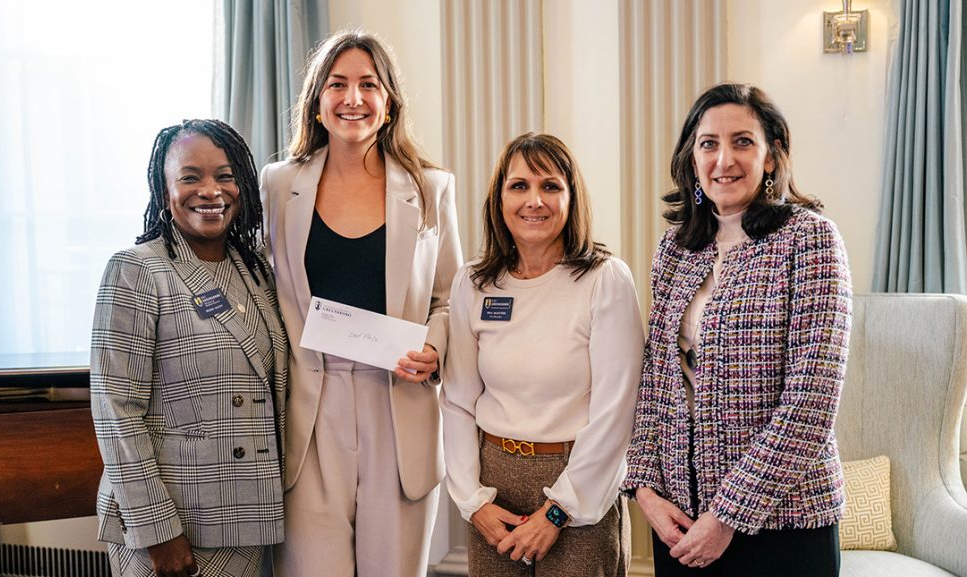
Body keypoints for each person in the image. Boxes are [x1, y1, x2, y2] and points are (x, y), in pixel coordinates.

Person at [620, 83, 853, 576]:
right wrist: (644, 490)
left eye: (743, 142)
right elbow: (655, 383)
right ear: (692, 158)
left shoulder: (810, 239)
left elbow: (811, 401)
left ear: (771, 157)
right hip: (679, 520)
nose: (724, 158)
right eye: (709, 144)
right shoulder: (674, 250)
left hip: (785, 522)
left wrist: (727, 516)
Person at [260, 30, 462, 577]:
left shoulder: (429, 188)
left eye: (368, 84)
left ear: (389, 101)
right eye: (338, 84)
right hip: (310, 409)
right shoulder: (277, 186)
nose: (353, 98)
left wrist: (435, 350)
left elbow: (450, 300)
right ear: (317, 102)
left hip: (398, 403)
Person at [441, 132, 644, 576]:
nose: (535, 200)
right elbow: (457, 400)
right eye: (519, 186)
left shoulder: (604, 280)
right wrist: (473, 501)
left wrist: (560, 510)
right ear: (499, 199)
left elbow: (617, 410)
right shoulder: (473, 283)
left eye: (550, 186)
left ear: (572, 198)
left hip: (579, 486)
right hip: (493, 487)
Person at [91, 119, 288, 577]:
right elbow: (115, 410)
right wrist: (158, 530)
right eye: (190, 177)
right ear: (164, 192)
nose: (211, 190)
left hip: (248, 515)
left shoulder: (255, 270)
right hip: (175, 526)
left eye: (224, 175)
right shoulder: (137, 269)